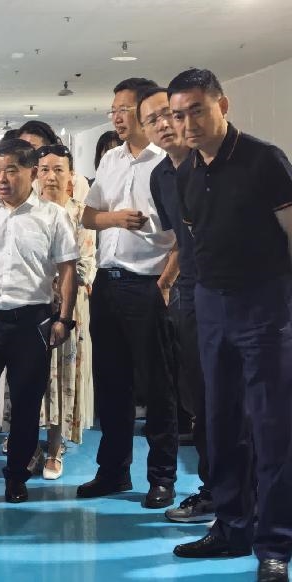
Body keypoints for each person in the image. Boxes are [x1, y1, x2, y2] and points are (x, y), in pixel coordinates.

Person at [168, 69, 292, 582]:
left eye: (197, 110)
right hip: (212, 306)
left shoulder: (265, 160)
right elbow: (197, 242)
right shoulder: (185, 174)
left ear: (222, 104)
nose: (188, 124)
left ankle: (275, 544)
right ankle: (231, 526)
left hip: (266, 306)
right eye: (179, 115)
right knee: (219, 424)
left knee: (271, 427)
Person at [0, 139, 79, 509]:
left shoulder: (52, 216)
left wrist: (64, 318)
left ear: (32, 173)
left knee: (25, 402)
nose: (2, 179)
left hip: (32, 322)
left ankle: (17, 476)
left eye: (11, 171)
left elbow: (68, 269)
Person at [78, 77, 180, 510]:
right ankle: (113, 471)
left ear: (145, 112)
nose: (116, 117)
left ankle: (162, 477)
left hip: (148, 284)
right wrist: (115, 218)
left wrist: (165, 283)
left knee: (157, 386)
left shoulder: (168, 162)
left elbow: (185, 233)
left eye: (124, 109)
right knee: (111, 383)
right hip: (107, 282)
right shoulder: (111, 159)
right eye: (113, 109)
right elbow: (88, 215)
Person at [136, 85, 214, 524]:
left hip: (239, 298)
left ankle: (251, 497)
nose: (165, 125)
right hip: (192, 296)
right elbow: (181, 241)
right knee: (198, 399)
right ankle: (215, 491)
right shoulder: (161, 176)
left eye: (170, 113)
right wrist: (168, 285)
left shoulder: (219, 164)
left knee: (242, 403)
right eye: (153, 120)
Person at [34, 144, 96, 480]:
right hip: (32, 307)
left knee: (61, 376)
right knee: (30, 377)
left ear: (71, 175)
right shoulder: (28, 211)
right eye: (45, 169)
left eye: (58, 169)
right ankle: (29, 445)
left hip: (69, 309)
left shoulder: (80, 214)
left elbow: (85, 264)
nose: (51, 176)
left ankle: (55, 449)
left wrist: (59, 283)